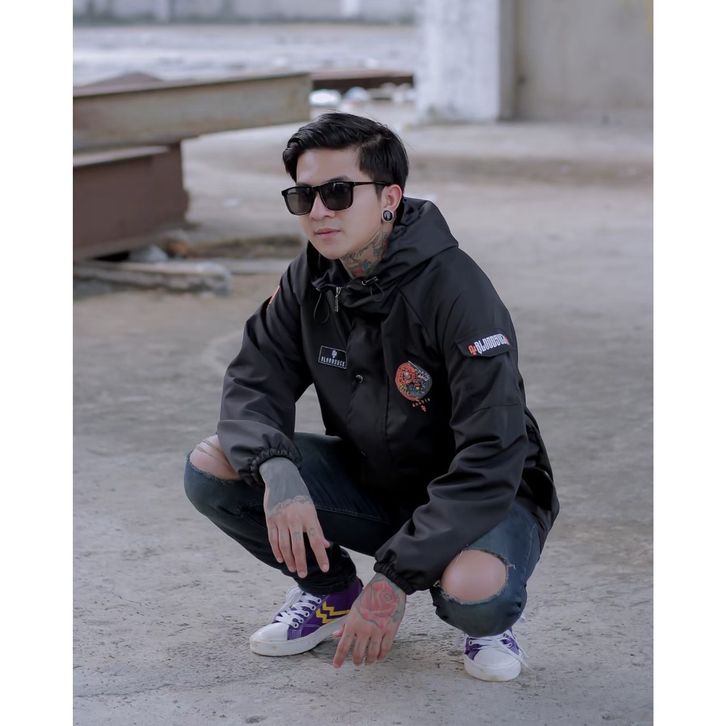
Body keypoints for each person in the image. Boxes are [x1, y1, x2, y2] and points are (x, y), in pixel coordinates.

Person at [184, 112, 559, 682]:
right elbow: (255, 381)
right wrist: (278, 473)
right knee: (216, 465)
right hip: (378, 480)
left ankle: (486, 622)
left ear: (390, 197)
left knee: (475, 591)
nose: (318, 211)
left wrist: (393, 582)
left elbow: (493, 453)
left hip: (483, 496)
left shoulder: (458, 292)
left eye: (338, 192)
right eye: (303, 196)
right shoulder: (309, 277)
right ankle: (331, 592)